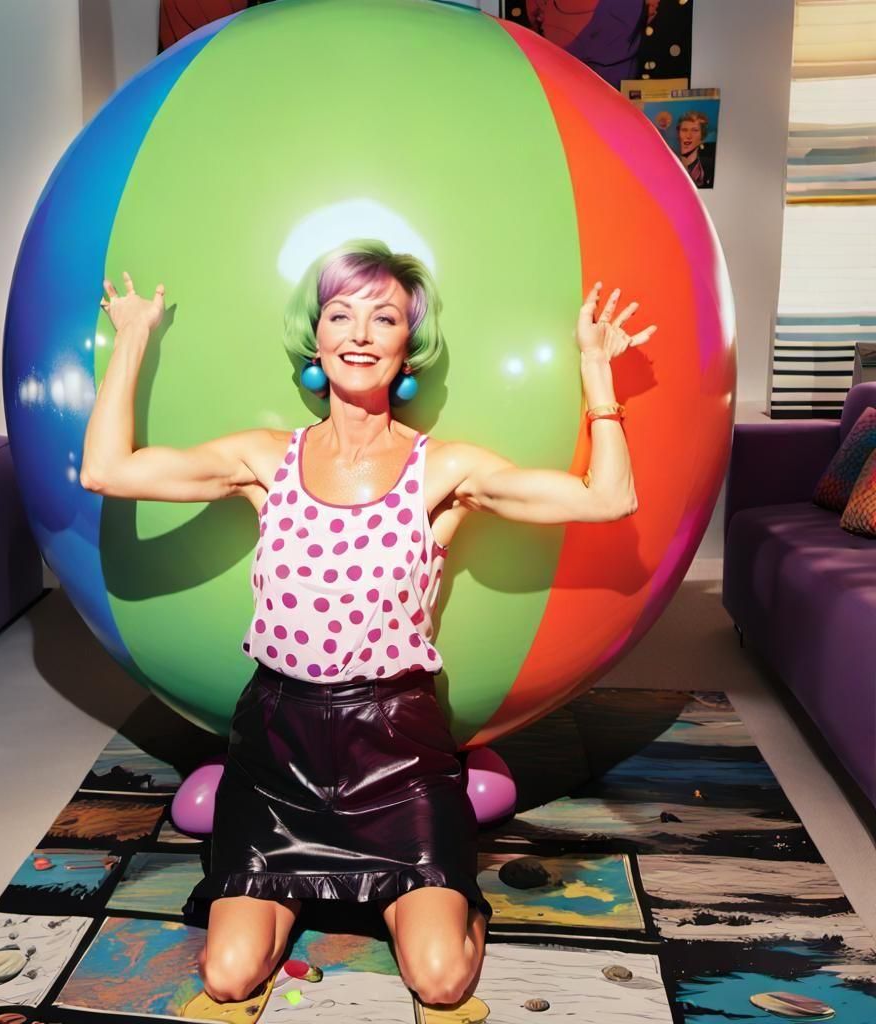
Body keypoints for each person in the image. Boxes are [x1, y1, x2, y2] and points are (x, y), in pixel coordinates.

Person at [80, 239, 655, 1020]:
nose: (358, 333)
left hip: (395, 754)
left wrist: (597, 367)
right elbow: (107, 471)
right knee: (226, 976)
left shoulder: (443, 470)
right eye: (340, 314)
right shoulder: (264, 458)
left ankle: (434, 880)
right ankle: (309, 890)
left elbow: (607, 499)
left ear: (406, 344)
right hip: (277, 751)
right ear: (315, 336)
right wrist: (134, 337)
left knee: (442, 981)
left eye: (382, 317)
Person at [675, 110, 715, 189]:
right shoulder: (668, 164)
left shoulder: (710, 167)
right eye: (684, 130)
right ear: (678, 134)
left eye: (695, 130)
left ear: (702, 136)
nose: (688, 136)